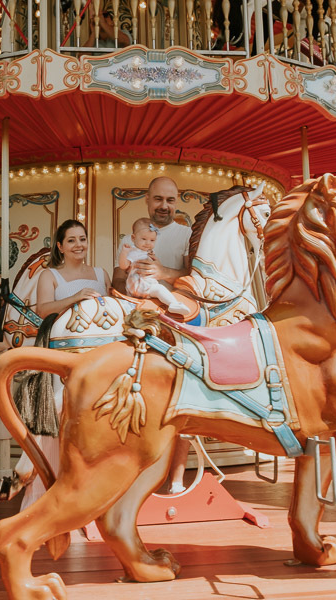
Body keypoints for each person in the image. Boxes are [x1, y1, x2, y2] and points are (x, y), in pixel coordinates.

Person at [16, 219, 111, 510]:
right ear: (60, 246)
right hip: (64, 351)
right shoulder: (51, 276)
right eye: (71, 240)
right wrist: (74, 298)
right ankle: (49, 480)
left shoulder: (100, 273)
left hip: (99, 353)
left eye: (82, 239)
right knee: (60, 410)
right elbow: (43, 309)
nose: (78, 245)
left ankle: (97, 490)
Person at [112, 176, 192, 494]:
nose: (164, 206)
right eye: (158, 199)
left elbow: (196, 273)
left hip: (177, 319)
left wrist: (163, 275)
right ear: (147, 200)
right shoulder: (132, 236)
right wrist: (130, 294)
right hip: (143, 317)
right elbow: (119, 275)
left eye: (170, 200)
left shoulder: (186, 234)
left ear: (177, 201)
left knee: (185, 392)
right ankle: (133, 468)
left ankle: (176, 476)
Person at [119, 218, 190, 316]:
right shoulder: (134, 252)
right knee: (159, 289)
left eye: (152, 240)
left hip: (144, 283)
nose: (148, 243)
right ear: (133, 238)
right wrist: (124, 253)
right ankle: (174, 304)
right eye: (143, 239)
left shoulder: (147, 252)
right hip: (140, 284)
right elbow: (124, 266)